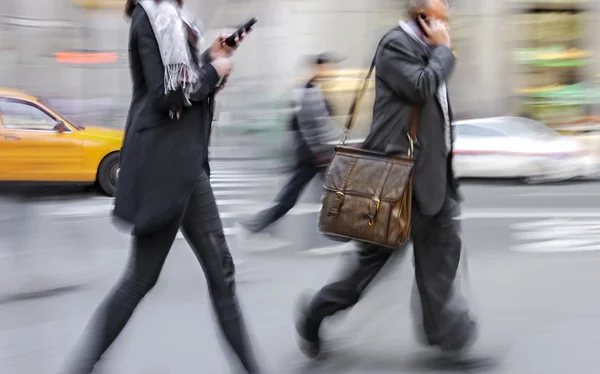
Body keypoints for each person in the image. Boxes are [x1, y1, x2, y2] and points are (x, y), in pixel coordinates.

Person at [61, 1, 261, 373]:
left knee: (216, 274)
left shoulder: (167, 17)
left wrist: (209, 58)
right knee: (144, 278)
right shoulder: (157, 15)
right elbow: (171, 92)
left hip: (181, 164)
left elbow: (179, 80)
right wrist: (215, 71)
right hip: (168, 165)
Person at [294, 0, 480, 363]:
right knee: (365, 270)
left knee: (441, 258)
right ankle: (314, 314)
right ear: (420, 14)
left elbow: (436, 119)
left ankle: (448, 338)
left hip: (431, 182)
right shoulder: (395, 45)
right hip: (396, 184)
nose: (446, 19)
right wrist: (443, 50)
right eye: (439, 13)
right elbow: (421, 87)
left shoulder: (427, 50)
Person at [238, 53, 344, 248]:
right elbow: (312, 125)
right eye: (330, 67)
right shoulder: (311, 91)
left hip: (314, 156)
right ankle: (253, 227)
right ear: (319, 68)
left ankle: (255, 227)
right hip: (313, 157)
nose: (333, 71)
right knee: (296, 199)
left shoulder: (313, 90)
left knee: (330, 194)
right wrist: (325, 148)